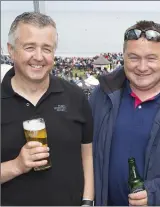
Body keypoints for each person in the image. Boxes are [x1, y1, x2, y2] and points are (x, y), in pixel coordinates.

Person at [89, 20, 160, 206]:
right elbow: (85, 151)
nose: (142, 67)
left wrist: (154, 194)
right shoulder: (102, 95)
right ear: (123, 56)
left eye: (151, 58)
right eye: (134, 57)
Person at [1, 12, 94, 206]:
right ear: (11, 50)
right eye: (29, 47)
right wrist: (16, 166)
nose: (38, 57)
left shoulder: (75, 96)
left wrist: (87, 200)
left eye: (47, 48)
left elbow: (87, 154)